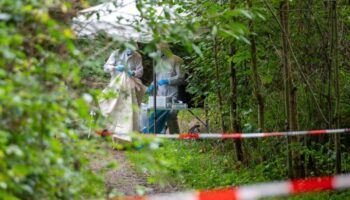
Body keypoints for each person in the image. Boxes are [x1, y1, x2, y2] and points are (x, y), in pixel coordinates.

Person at [99, 44, 146, 136]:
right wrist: (115, 68)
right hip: (116, 84)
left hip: (130, 86)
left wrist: (133, 72)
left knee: (128, 107)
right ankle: (109, 128)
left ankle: (129, 130)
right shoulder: (116, 53)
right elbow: (106, 67)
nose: (130, 51)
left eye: (132, 50)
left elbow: (140, 71)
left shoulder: (137, 56)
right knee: (109, 103)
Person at [147, 43, 184, 134]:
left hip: (173, 95)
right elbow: (156, 79)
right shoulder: (159, 62)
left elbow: (181, 78)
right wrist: (152, 85)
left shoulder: (177, 60)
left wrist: (168, 81)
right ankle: (160, 136)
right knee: (157, 116)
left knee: (171, 115)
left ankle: (174, 137)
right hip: (161, 96)